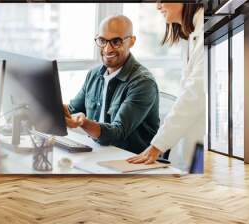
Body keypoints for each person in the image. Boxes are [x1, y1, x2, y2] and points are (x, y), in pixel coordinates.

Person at [63, 15, 160, 154]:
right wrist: (55, 107)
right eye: (102, 40)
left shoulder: (143, 83)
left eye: (116, 41)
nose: (107, 49)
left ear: (131, 41)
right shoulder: (94, 75)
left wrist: (84, 122)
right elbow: (72, 110)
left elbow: (117, 134)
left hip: (129, 161)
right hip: (98, 153)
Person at [127, 3, 205, 172]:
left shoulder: (204, 30)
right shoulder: (191, 35)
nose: (158, 6)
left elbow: (193, 96)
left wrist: (157, 146)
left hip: (202, 146)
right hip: (191, 145)